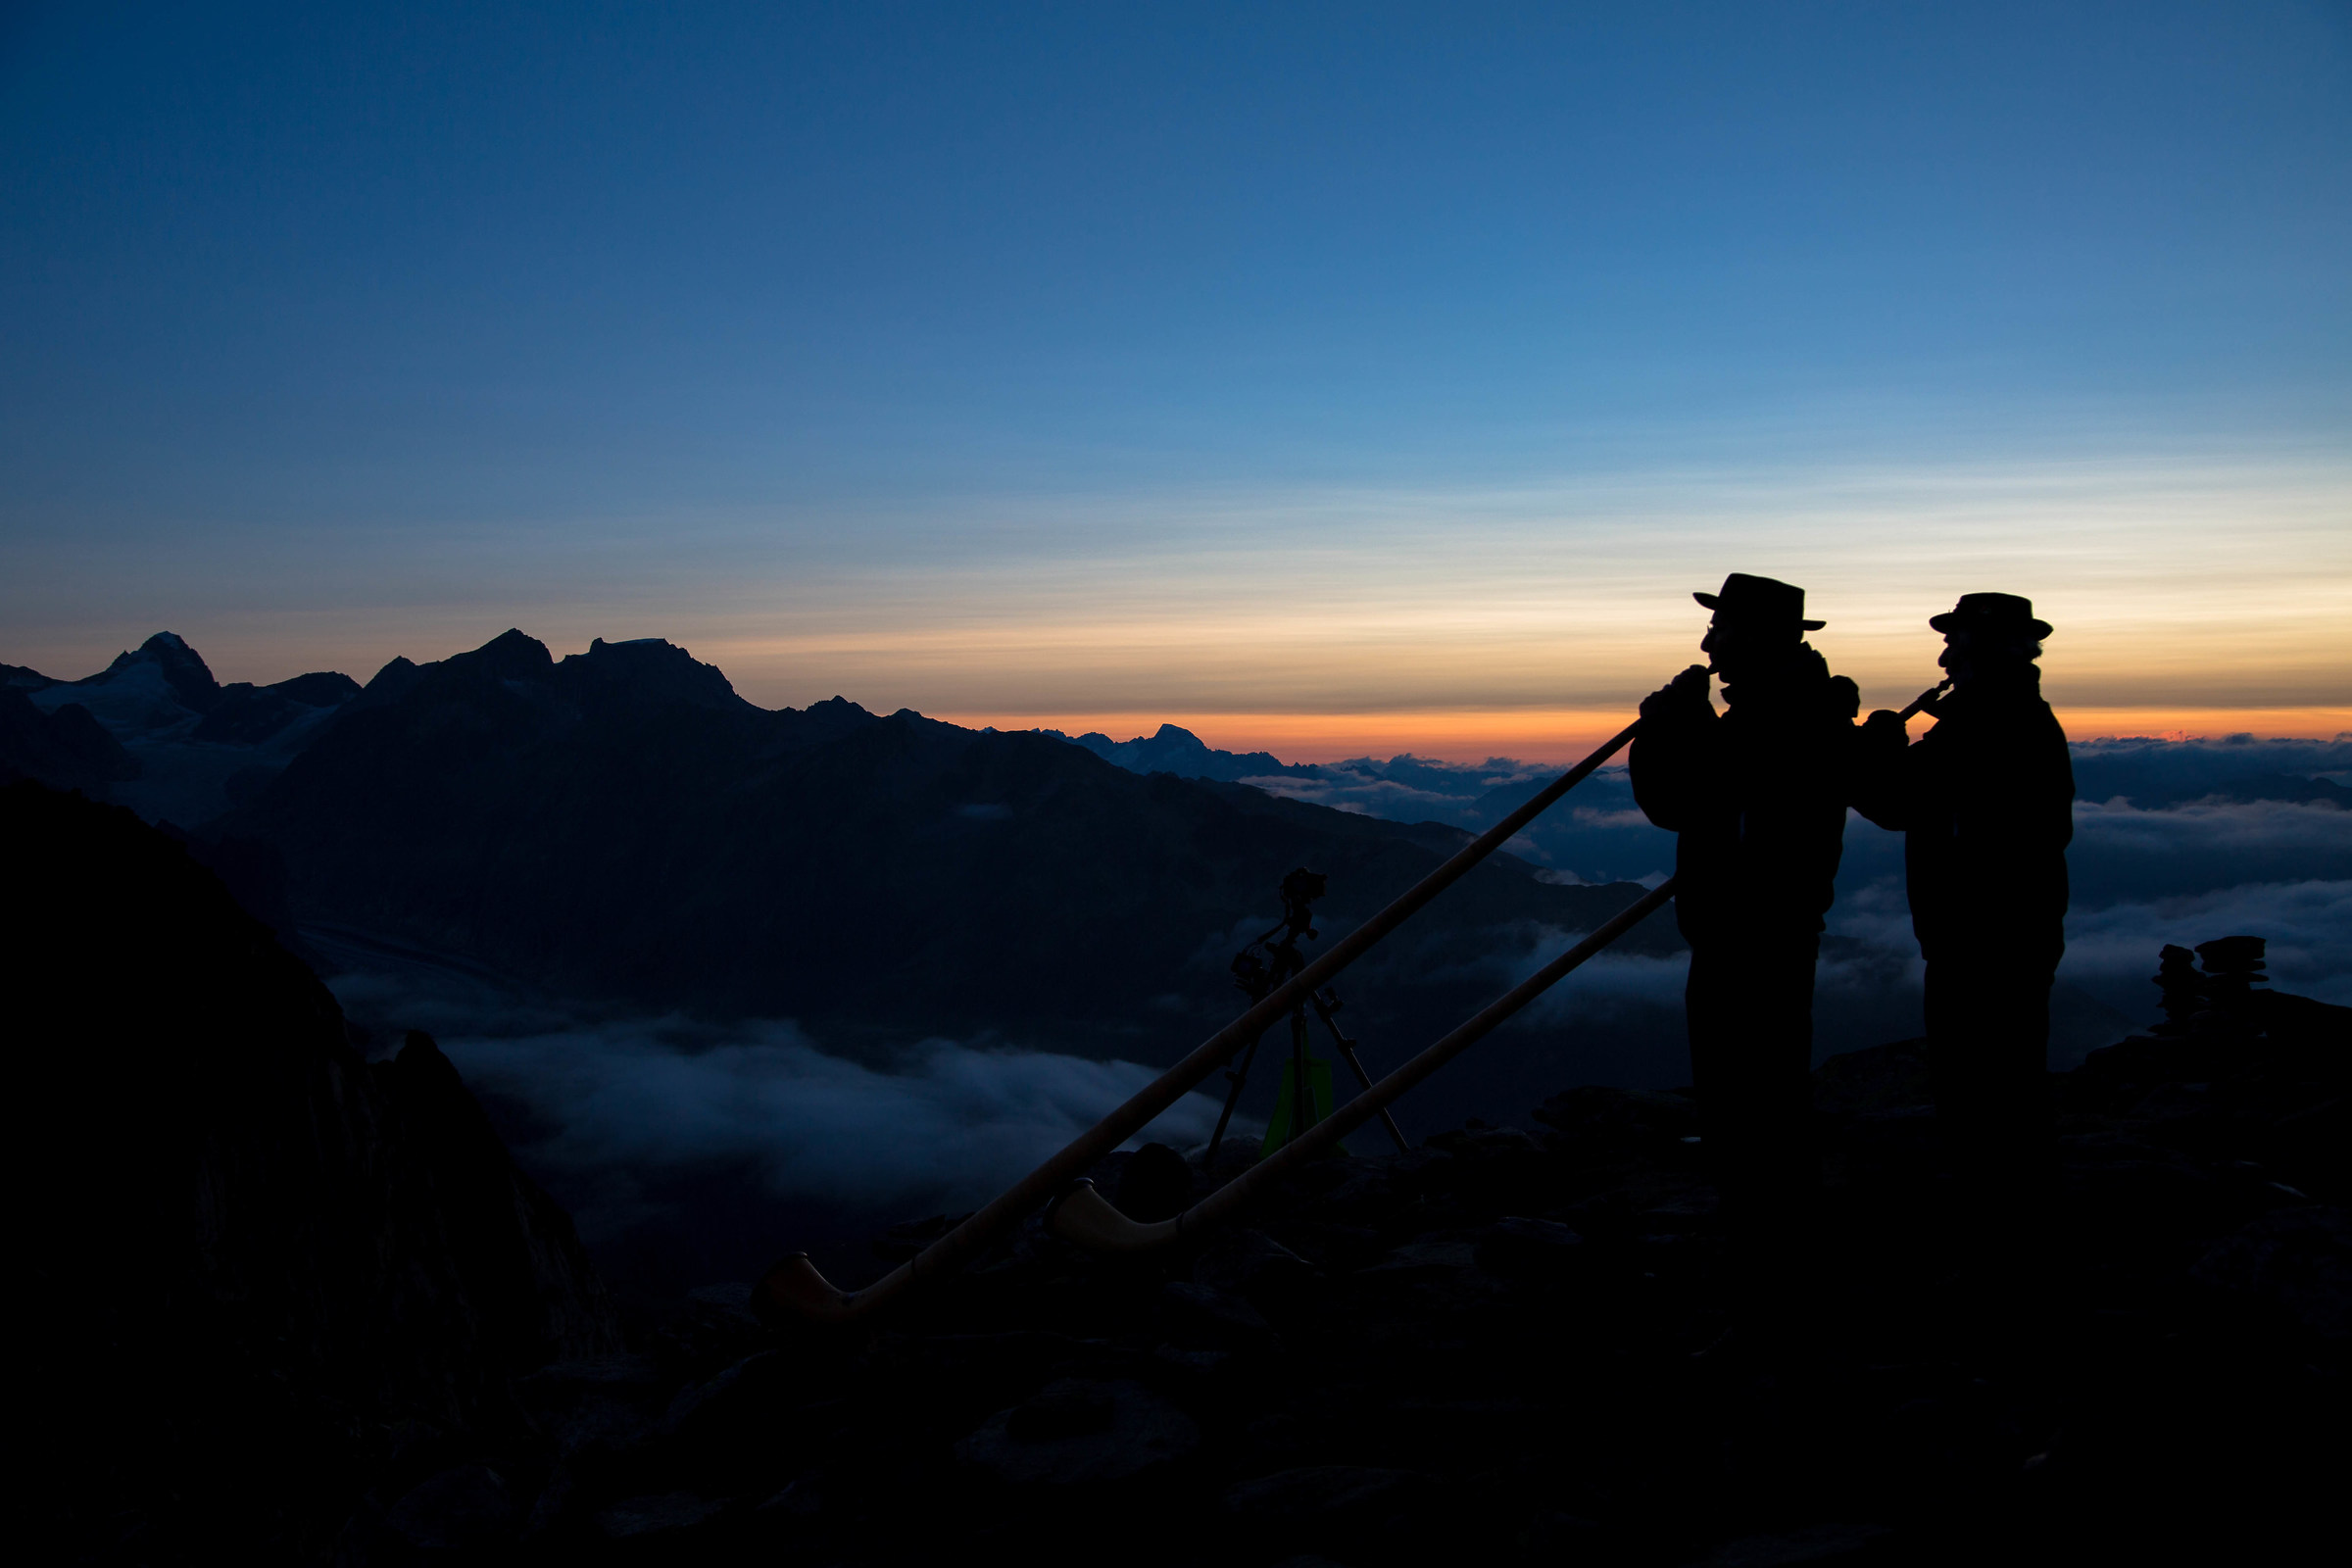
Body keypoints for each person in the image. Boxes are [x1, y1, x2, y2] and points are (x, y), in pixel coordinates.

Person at [1630, 573, 1860, 1270]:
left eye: (1721, 630)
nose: (1708, 643)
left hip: (1751, 938)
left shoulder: (1780, 716)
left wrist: (1669, 728)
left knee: (1750, 1113)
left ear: (1754, 637)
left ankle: (1774, 1282)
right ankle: (1774, 1268)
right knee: (1759, 1108)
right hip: (1756, 932)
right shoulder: (1785, 708)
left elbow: (1688, 800)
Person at [1852, 593, 2074, 1246]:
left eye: (1956, 645)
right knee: (2003, 1084)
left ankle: (2003, 1245)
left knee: (1982, 1091)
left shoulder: (1986, 725)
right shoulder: (2007, 718)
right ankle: (2009, 1234)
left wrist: (1876, 752)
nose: (1945, 656)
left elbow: (1896, 803)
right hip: (2005, 929)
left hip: (1980, 936)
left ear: (1982, 653)